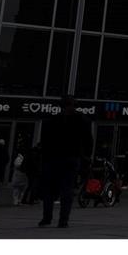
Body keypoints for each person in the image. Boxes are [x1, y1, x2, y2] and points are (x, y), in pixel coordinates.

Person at [38, 95, 93, 228]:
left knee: (50, 190)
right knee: (67, 190)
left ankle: (47, 218)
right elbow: (88, 141)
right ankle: (63, 220)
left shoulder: (50, 120)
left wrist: (43, 158)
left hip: (53, 158)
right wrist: (86, 156)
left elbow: (44, 142)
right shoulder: (82, 120)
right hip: (71, 158)